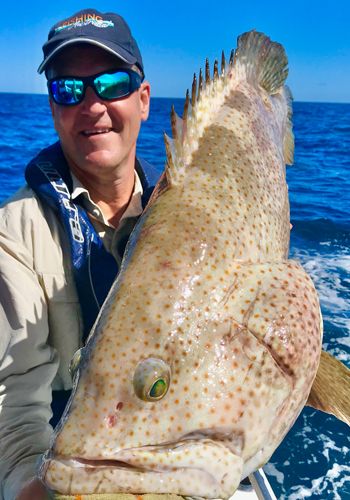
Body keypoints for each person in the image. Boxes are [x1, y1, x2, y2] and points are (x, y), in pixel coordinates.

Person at [0, 9, 160, 500]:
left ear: (144, 98)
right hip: (68, 467)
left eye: (112, 83)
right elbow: (13, 409)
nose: (91, 104)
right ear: (53, 108)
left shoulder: (185, 221)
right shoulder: (14, 232)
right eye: (68, 89)